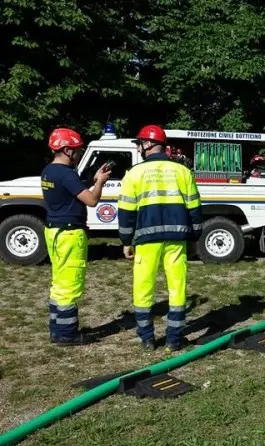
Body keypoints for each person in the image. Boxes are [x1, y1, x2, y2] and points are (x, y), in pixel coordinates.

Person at [118, 124, 203, 352]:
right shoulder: (182, 172)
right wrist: (195, 237)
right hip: (176, 239)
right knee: (177, 287)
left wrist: (126, 241)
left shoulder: (134, 173)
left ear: (147, 144)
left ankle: (147, 339)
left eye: (141, 144)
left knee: (143, 288)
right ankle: (174, 339)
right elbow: (194, 208)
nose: (140, 148)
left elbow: (126, 211)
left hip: (146, 241)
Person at [41, 128, 112, 346]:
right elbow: (91, 200)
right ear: (66, 150)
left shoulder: (48, 171)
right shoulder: (66, 174)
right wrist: (100, 182)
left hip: (53, 231)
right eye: (77, 150)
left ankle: (57, 328)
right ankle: (67, 334)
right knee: (70, 284)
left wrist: (91, 179)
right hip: (70, 234)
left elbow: (71, 194)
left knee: (59, 281)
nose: (79, 153)